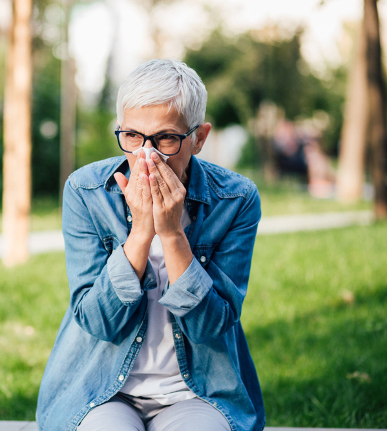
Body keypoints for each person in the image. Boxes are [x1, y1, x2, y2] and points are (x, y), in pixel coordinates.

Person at [37, 59, 265, 431]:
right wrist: (141, 232)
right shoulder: (86, 191)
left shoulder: (236, 199)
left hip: (198, 393)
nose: (146, 155)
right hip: (102, 390)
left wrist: (173, 234)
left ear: (199, 138)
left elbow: (211, 326)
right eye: (132, 136)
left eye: (165, 139)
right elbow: (97, 321)